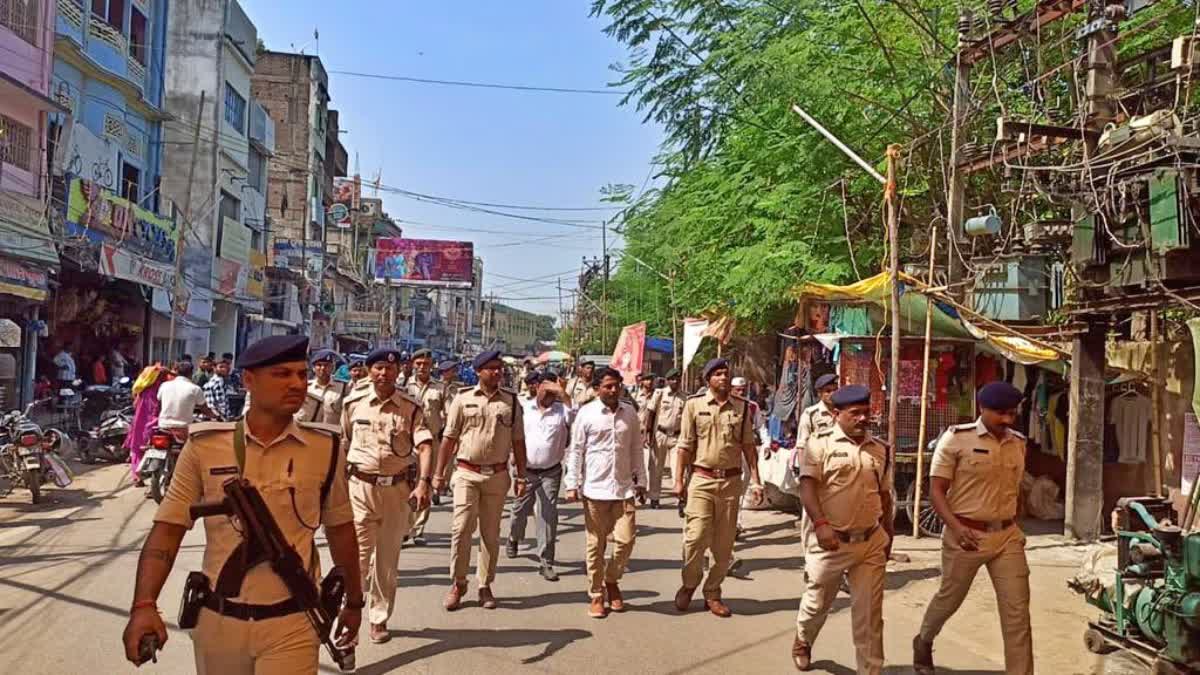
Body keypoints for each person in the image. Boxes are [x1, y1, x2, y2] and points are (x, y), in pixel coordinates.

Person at [120, 335, 364, 672]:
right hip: (220, 621)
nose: (296, 383)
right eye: (281, 374)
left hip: (293, 620)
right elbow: (168, 530)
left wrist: (354, 600)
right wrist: (144, 605)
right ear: (248, 380)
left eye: (300, 373)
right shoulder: (205, 446)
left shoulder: (326, 448)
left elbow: (340, 530)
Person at [913, 381, 1032, 675]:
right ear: (982, 408)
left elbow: (1014, 491)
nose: (1007, 420)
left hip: (1006, 537)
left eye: (1012, 414)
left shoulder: (1017, 442)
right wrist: (954, 527)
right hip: (966, 535)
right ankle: (924, 639)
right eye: (1000, 413)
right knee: (949, 598)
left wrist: (1016, 525)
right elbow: (937, 491)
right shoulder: (955, 440)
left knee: (1017, 614)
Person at [791, 385, 893, 673]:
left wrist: (888, 537)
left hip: (870, 542)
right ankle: (803, 639)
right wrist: (821, 525)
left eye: (865, 412)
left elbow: (884, 496)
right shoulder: (818, 444)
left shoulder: (880, 449)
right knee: (816, 604)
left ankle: (870, 670)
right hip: (831, 542)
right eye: (855, 413)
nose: (863, 418)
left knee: (870, 616)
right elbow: (807, 487)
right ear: (837, 414)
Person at [341, 347, 433, 644]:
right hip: (360, 489)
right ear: (369, 371)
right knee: (357, 557)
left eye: (390, 369)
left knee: (387, 561)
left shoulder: (410, 406)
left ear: (398, 372)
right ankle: (350, 613)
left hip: (396, 490)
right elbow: (344, 444)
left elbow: (425, 444)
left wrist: (424, 482)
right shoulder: (353, 403)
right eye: (378, 368)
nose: (384, 373)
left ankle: (378, 619)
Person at [433, 350, 529, 611]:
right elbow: (449, 438)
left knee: (490, 532)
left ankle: (484, 585)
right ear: (478, 371)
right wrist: (438, 474)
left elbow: (518, 441)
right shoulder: (462, 399)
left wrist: (521, 475)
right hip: (466, 472)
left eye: (499, 368)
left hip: (497, 475)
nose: (497, 372)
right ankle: (458, 582)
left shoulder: (510, 401)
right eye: (491, 368)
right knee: (462, 528)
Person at [673, 358, 764, 617]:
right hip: (701, 480)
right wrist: (679, 481)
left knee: (724, 546)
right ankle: (690, 584)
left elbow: (749, 447)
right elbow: (684, 446)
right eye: (717, 374)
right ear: (708, 380)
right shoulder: (694, 405)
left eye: (726, 374)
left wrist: (756, 480)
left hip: (731, 483)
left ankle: (712, 592)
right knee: (695, 538)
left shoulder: (743, 408)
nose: (723, 378)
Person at [565, 367, 645, 618]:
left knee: (626, 540)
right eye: (608, 386)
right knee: (595, 545)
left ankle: (612, 579)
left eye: (617, 385)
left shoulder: (629, 413)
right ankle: (597, 593)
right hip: (594, 490)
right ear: (597, 388)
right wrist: (572, 483)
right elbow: (576, 450)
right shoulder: (586, 414)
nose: (613, 390)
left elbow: (636, 448)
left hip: (623, 489)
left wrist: (641, 479)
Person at [507, 371, 572, 581]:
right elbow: (513, 434)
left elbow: (577, 415)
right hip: (525, 471)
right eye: (547, 388)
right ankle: (514, 537)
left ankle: (546, 561)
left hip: (550, 472)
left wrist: (564, 393)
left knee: (548, 514)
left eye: (554, 391)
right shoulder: (524, 408)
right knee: (519, 510)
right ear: (539, 387)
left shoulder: (563, 411)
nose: (550, 394)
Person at [792, 373, 841, 545]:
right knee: (811, 517)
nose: (832, 394)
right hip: (815, 471)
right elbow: (802, 445)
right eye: (828, 391)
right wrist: (803, 475)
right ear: (819, 393)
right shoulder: (811, 414)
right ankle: (809, 559)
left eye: (835, 390)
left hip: (837, 471)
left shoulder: (842, 413)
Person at [407, 349, 449, 545]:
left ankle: (418, 529)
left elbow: (449, 414)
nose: (422, 367)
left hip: (431, 443)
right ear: (413, 364)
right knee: (405, 484)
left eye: (426, 363)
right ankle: (404, 527)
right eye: (419, 363)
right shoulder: (403, 386)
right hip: (406, 443)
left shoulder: (440, 388)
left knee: (425, 484)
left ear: (432, 365)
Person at [652, 369, 686, 503]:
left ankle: (680, 497)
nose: (675, 381)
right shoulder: (660, 394)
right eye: (672, 379)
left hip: (677, 436)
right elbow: (651, 413)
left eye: (677, 379)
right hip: (660, 434)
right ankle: (654, 497)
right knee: (656, 467)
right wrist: (647, 434)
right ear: (667, 380)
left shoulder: (684, 397)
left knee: (677, 467)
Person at [157, 362, 217, 432]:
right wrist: (215, 416)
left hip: (163, 426)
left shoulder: (164, 385)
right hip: (184, 428)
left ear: (177, 372)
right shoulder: (195, 389)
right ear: (191, 373)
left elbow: (160, 402)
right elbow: (205, 409)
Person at [297, 350, 347, 426]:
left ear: (332, 368)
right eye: (319, 365)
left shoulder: (343, 388)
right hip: (306, 432)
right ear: (313, 368)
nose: (323, 368)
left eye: (327, 365)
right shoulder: (305, 386)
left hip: (330, 434)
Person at [632, 372, 660, 505]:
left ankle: (645, 491)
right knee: (635, 463)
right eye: (646, 380)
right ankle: (636, 485)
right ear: (641, 381)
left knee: (649, 463)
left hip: (650, 433)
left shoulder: (658, 395)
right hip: (634, 432)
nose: (649, 382)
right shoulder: (635, 395)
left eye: (651, 380)